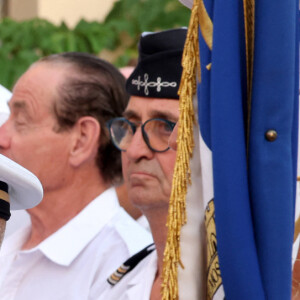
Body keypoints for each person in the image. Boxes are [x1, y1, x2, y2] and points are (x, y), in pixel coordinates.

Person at [0, 52, 152, 299]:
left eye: (22, 120)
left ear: (81, 139)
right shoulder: (11, 241)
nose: (1, 137)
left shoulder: (128, 268)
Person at [96, 28, 187, 299]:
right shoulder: (119, 283)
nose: (135, 150)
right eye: (131, 126)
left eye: (166, 127)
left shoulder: (258, 284)